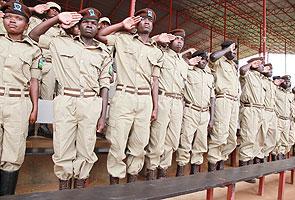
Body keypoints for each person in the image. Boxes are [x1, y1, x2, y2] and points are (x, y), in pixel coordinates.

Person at [29, 8, 111, 189]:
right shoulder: (60, 43)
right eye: (85, 22)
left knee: (86, 150)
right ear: (79, 25)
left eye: (93, 23)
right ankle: (64, 191)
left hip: (91, 103)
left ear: (98, 27)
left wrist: (103, 115)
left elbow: (105, 85)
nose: (89, 25)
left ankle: (80, 190)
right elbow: (33, 35)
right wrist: (57, 18)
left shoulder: (103, 52)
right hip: (66, 100)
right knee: (62, 150)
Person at [96, 8, 164, 184]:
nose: (147, 22)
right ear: (136, 22)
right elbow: (99, 35)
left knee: (139, 145)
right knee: (117, 144)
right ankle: (115, 187)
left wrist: (155, 107)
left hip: (144, 100)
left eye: (150, 20)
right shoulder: (122, 39)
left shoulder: (156, 51)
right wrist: (121, 25)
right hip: (123, 96)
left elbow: (154, 82)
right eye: (142, 19)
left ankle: (132, 184)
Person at [0, 1, 41, 195]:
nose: (13, 22)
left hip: (19, 102)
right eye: (9, 17)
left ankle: (6, 196)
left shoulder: (33, 49)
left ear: (27, 24)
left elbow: (34, 80)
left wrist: (34, 108)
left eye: (18, 19)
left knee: (13, 153)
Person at [145, 29, 189, 179]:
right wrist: (155, 105)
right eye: (176, 39)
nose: (179, 41)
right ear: (170, 41)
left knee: (172, 139)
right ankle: (152, 169)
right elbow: (155, 81)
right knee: (157, 137)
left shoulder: (184, 64)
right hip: (163, 99)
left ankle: (163, 169)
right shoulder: (161, 54)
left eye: (182, 40)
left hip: (178, 102)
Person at [176, 51, 215, 175]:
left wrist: (212, 118)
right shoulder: (187, 71)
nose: (204, 61)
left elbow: (212, 98)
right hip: (190, 110)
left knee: (201, 143)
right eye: (201, 59)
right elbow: (178, 65)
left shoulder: (209, 76)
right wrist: (189, 60)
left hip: (204, 113)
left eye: (206, 60)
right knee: (186, 141)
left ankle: (195, 172)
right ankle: (180, 172)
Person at [28, 1, 62, 138]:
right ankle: (29, 124)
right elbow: (20, 14)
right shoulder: (34, 21)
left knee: (47, 96)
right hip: (34, 62)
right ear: (46, 10)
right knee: (31, 93)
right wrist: (33, 9)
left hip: (50, 63)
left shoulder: (61, 28)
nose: (54, 11)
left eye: (57, 10)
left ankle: (43, 126)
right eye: (51, 9)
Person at [207, 40, 239, 171]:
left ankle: (221, 159)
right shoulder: (218, 61)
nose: (234, 52)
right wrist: (227, 50)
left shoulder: (233, 66)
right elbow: (212, 57)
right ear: (225, 49)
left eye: (235, 50)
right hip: (223, 99)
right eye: (232, 50)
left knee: (232, 138)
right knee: (220, 134)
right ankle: (213, 166)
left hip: (234, 102)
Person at [272, 75, 294, 160]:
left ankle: (281, 159)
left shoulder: (290, 94)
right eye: (285, 80)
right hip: (278, 118)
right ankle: (274, 160)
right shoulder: (276, 90)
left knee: (285, 141)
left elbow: (292, 107)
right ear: (281, 81)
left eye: (289, 81)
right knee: (276, 140)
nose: (287, 82)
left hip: (287, 120)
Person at [261, 63, 277, 161]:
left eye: (272, 69)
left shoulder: (272, 84)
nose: (271, 71)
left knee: (272, 137)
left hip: (272, 112)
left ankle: (264, 156)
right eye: (269, 69)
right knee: (261, 137)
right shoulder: (261, 80)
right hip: (264, 111)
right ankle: (259, 161)